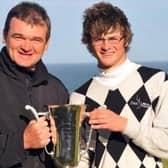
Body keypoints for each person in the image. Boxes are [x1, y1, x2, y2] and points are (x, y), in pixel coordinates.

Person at [70, 2, 168, 168]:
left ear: (125, 40)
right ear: (89, 43)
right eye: (99, 39)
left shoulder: (156, 81)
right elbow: (81, 158)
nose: (106, 46)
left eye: (113, 38)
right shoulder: (79, 96)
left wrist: (125, 125)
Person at [0, 1, 69, 168]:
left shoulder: (57, 89)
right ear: (4, 36)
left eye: (36, 40)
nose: (27, 47)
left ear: (47, 44)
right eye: (19, 37)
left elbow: (66, 156)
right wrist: (22, 142)